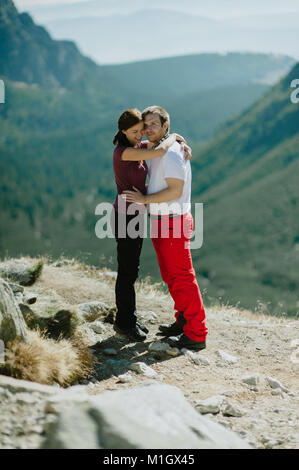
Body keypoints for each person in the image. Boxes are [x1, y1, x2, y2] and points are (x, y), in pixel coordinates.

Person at [123, 106, 208, 350]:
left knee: (182, 277)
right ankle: (183, 320)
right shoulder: (158, 148)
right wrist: (174, 136)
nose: (148, 129)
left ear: (165, 127)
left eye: (153, 124)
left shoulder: (171, 153)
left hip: (173, 221)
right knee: (171, 276)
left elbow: (175, 191)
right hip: (161, 220)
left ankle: (197, 333)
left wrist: (144, 200)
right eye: (145, 124)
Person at [111, 108, 190, 342]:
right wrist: (174, 136)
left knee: (131, 269)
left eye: (142, 130)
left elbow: (160, 146)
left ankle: (129, 318)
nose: (140, 135)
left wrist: (179, 141)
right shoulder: (123, 152)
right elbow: (160, 150)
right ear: (123, 131)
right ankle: (124, 323)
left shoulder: (136, 147)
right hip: (125, 215)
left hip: (134, 214)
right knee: (127, 271)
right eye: (135, 132)